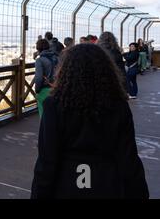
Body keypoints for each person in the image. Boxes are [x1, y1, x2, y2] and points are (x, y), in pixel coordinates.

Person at [31, 44, 149, 199]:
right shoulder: (118, 106)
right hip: (108, 185)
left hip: (66, 185)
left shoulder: (54, 105)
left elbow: (47, 160)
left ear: (66, 71)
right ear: (107, 72)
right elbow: (128, 158)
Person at [34, 39, 58, 118]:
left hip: (45, 89)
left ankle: (44, 129)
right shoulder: (56, 57)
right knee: (54, 114)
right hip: (56, 88)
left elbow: (38, 78)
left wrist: (37, 90)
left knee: (44, 114)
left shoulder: (40, 60)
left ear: (38, 48)